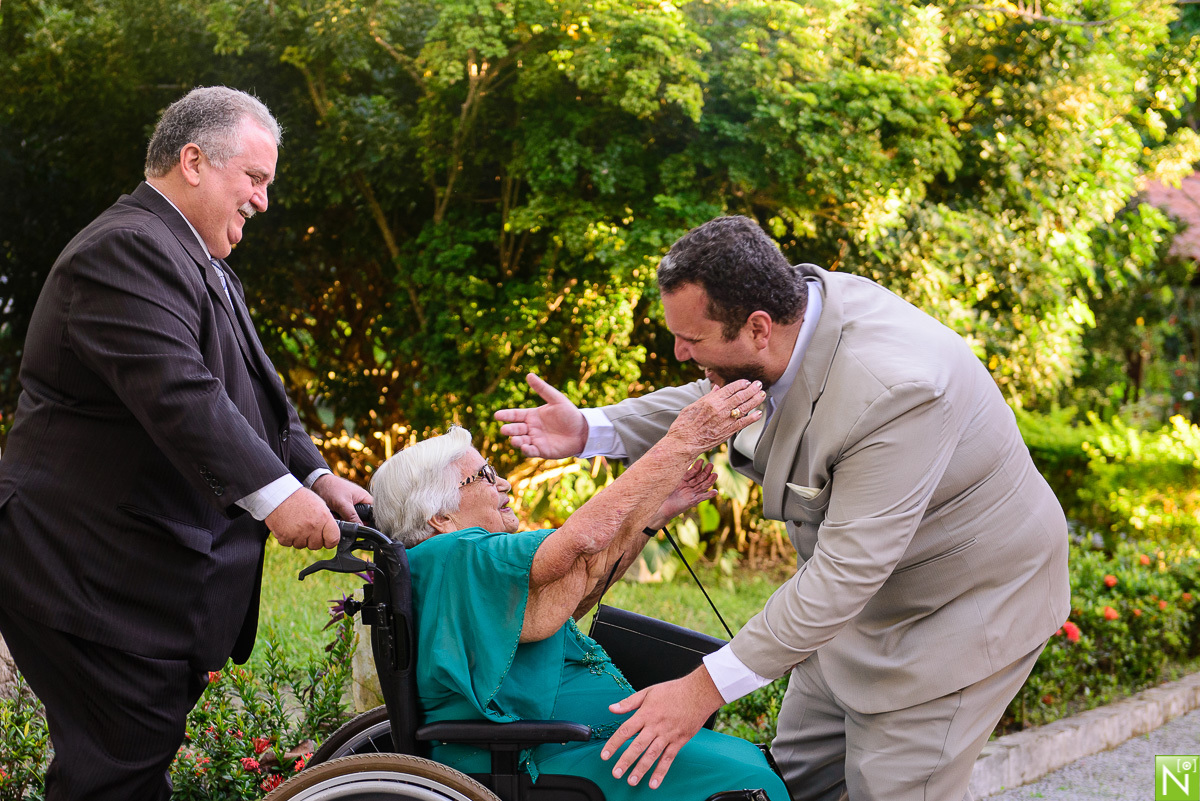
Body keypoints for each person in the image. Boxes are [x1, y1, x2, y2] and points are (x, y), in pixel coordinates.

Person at [494, 215, 1071, 800]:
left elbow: (845, 575)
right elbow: (714, 397)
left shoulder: (899, 393)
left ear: (758, 327)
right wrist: (592, 429)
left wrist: (698, 691)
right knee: (786, 780)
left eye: (692, 341)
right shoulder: (793, 327)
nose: (678, 352)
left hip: (959, 608)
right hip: (853, 610)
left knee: (893, 785)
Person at [0, 87, 371, 801]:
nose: (263, 200)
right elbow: (181, 394)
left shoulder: (197, 259)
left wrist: (318, 476)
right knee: (118, 770)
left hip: (127, 577)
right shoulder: (124, 248)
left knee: (120, 769)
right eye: (254, 179)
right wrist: (277, 497)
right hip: (84, 572)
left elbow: (257, 399)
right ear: (193, 161)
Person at [368, 383, 791, 801]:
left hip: (563, 744)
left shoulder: (448, 564)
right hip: (537, 754)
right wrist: (683, 440)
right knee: (743, 783)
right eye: (485, 476)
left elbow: (576, 589)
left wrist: (649, 516)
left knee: (745, 766)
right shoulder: (457, 551)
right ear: (440, 514)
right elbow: (582, 540)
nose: (505, 485)